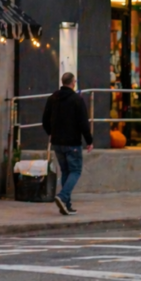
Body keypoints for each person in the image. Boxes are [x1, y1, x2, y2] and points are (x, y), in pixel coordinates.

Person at [42, 72, 93, 216]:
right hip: (72, 142)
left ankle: (66, 205)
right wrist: (89, 140)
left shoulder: (53, 98)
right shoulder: (77, 100)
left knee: (65, 171)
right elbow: (83, 123)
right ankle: (63, 197)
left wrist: (51, 133)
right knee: (75, 171)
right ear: (73, 83)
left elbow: (45, 119)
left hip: (57, 142)